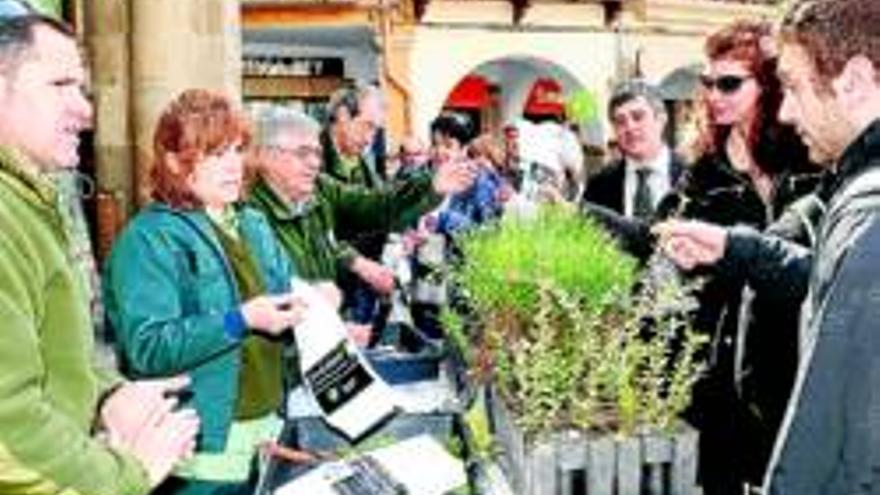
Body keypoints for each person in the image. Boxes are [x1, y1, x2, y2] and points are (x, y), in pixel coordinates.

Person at [655, 1, 880, 492]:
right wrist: (735, 249)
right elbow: (826, 276)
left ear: (856, 79)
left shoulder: (857, 198)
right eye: (708, 84)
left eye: (792, 86)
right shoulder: (704, 178)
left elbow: (851, 439)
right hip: (732, 401)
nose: (786, 108)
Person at [0, 3, 200, 494]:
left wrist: (106, 396)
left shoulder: (31, 199)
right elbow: (9, 428)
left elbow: (55, 357)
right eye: (60, 85)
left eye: (83, 87)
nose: (87, 110)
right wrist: (126, 477)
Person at [104, 90, 304, 495]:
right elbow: (147, 347)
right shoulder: (149, 238)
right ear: (175, 162)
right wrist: (239, 320)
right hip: (200, 453)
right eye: (214, 154)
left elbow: (286, 292)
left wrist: (313, 303)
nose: (233, 165)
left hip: (267, 434)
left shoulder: (252, 223)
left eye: (236, 150)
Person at [246, 105, 475, 344]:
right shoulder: (248, 214)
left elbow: (377, 205)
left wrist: (432, 187)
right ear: (266, 156)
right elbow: (266, 302)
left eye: (317, 153)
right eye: (303, 153)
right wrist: (335, 326)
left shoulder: (319, 189)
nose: (314, 162)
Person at [581, 80, 685, 220]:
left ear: (661, 119)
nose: (629, 127)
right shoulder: (600, 185)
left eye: (638, 117)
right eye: (620, 121)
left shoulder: (693, 176)